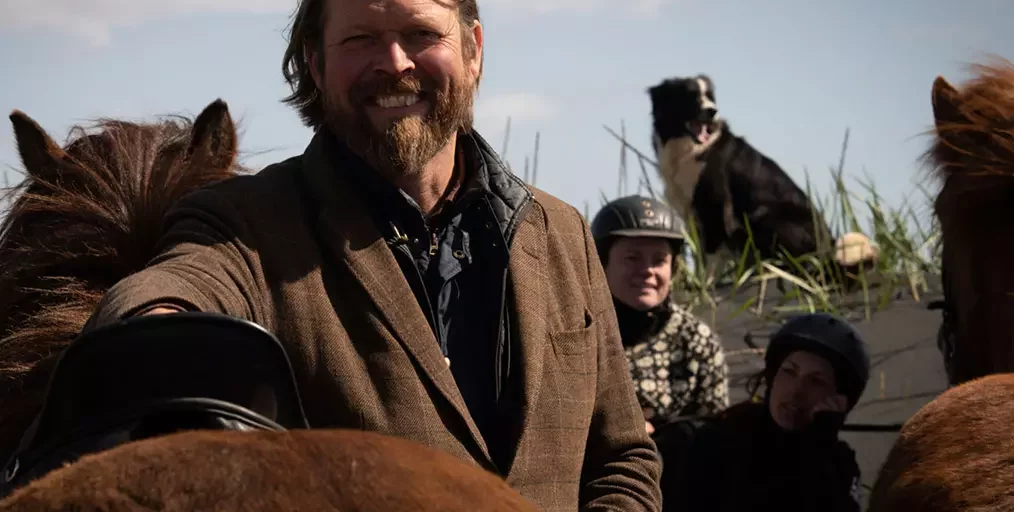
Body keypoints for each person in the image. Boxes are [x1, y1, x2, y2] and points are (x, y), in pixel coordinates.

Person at [79, 0, 662, 509]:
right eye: (359, 40)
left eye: (421, 34)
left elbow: (623, 458)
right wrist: (157, 332)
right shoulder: (246, 224)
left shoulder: (562, 233)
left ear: (473, 48)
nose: (394, 62)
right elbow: (175, 286)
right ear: (315, 62)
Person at [665, 312, 868, 512]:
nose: (796, 391)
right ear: (772, 377)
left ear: (839, 400)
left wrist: (818, 449)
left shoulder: (839, 465)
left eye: (816, 381)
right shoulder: (719, 440)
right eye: (789, 372)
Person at [589, 195, 729, 435]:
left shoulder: (697, 341)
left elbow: (716, 430)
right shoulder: (578, 333)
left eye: (659, 260)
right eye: (632, 258)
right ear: (602, 264)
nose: (647, 271)